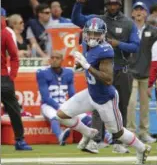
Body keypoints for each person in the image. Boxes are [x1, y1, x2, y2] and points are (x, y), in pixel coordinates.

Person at [56, 18, 150, 164]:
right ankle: (89, 132)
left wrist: (87, 66)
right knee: (61, 115)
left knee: (118, 133)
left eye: (96, 34)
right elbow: (90, 63)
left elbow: (107, 79)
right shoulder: (86, 45)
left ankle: (142, 148)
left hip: (105, 98)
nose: (92, 37)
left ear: (103, 35)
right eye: (90, 33)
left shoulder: (105, 50)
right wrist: (81, 66)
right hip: (91, 93)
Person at [71, 0, 140, 153]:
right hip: (99, 70)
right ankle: (96, 140)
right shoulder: (98, 20)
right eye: (110, 4)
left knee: (121, 106)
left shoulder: (128, 23)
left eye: (115, 3)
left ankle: (118, 142)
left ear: (120, 4)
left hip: (121, 69)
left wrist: (118, 44)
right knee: (97, 105)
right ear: (106, 5)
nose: (112, 6)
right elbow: (76, 20)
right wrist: (78, 4)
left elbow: (136, 46)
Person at [36, 51, 92, 146]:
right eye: (52, 58)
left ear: (62, 60)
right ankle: (60, 137)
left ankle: (105, 136)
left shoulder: (68, 73)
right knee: (54, 116)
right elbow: (45, 97)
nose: (54, 60)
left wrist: (76, 106)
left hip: (63, 104)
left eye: (57, 58)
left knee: (85, 117)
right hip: (48, 105)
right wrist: (60, 107)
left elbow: (72, 94)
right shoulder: (42, 73)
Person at [127, 1, 157, 144]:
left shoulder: (153, 31)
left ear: (146, 13)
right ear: (132, 13)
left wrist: (154, 75)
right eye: (136, 9)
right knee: (131, 103)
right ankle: (131, 132)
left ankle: (144, 132)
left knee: (145, 106)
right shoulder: (128, 29)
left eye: (141, 9)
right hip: (131, 72)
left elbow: (156, 53)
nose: (139, 12)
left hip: (146, 73)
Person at [1, 17, 32, 151]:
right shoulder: (5, 32)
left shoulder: (5, 33)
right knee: (13, 109)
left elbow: (14, 56)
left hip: (3, 77)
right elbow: (14, 56)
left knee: (13, 109)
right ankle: (20, 140)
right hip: (3, 77)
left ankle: (20, 140)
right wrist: (11, 76)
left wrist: (11, 76)